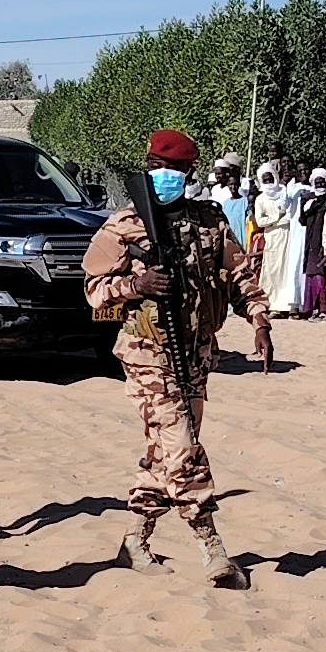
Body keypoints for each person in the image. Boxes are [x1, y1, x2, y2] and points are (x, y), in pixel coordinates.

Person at [80, 126, 272, 584]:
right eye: (160, 168)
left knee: (164, 455)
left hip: (195, 354)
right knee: (184, 449)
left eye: (177, 170)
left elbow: (238, 274)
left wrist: (260, 319)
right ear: (148, 168)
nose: (167, 176)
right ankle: (214, 550)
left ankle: (133, 541)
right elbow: (93, 291)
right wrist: (135, 286)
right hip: (147, 354)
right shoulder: (124, 225)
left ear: (189, 173)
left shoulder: (209, 219)